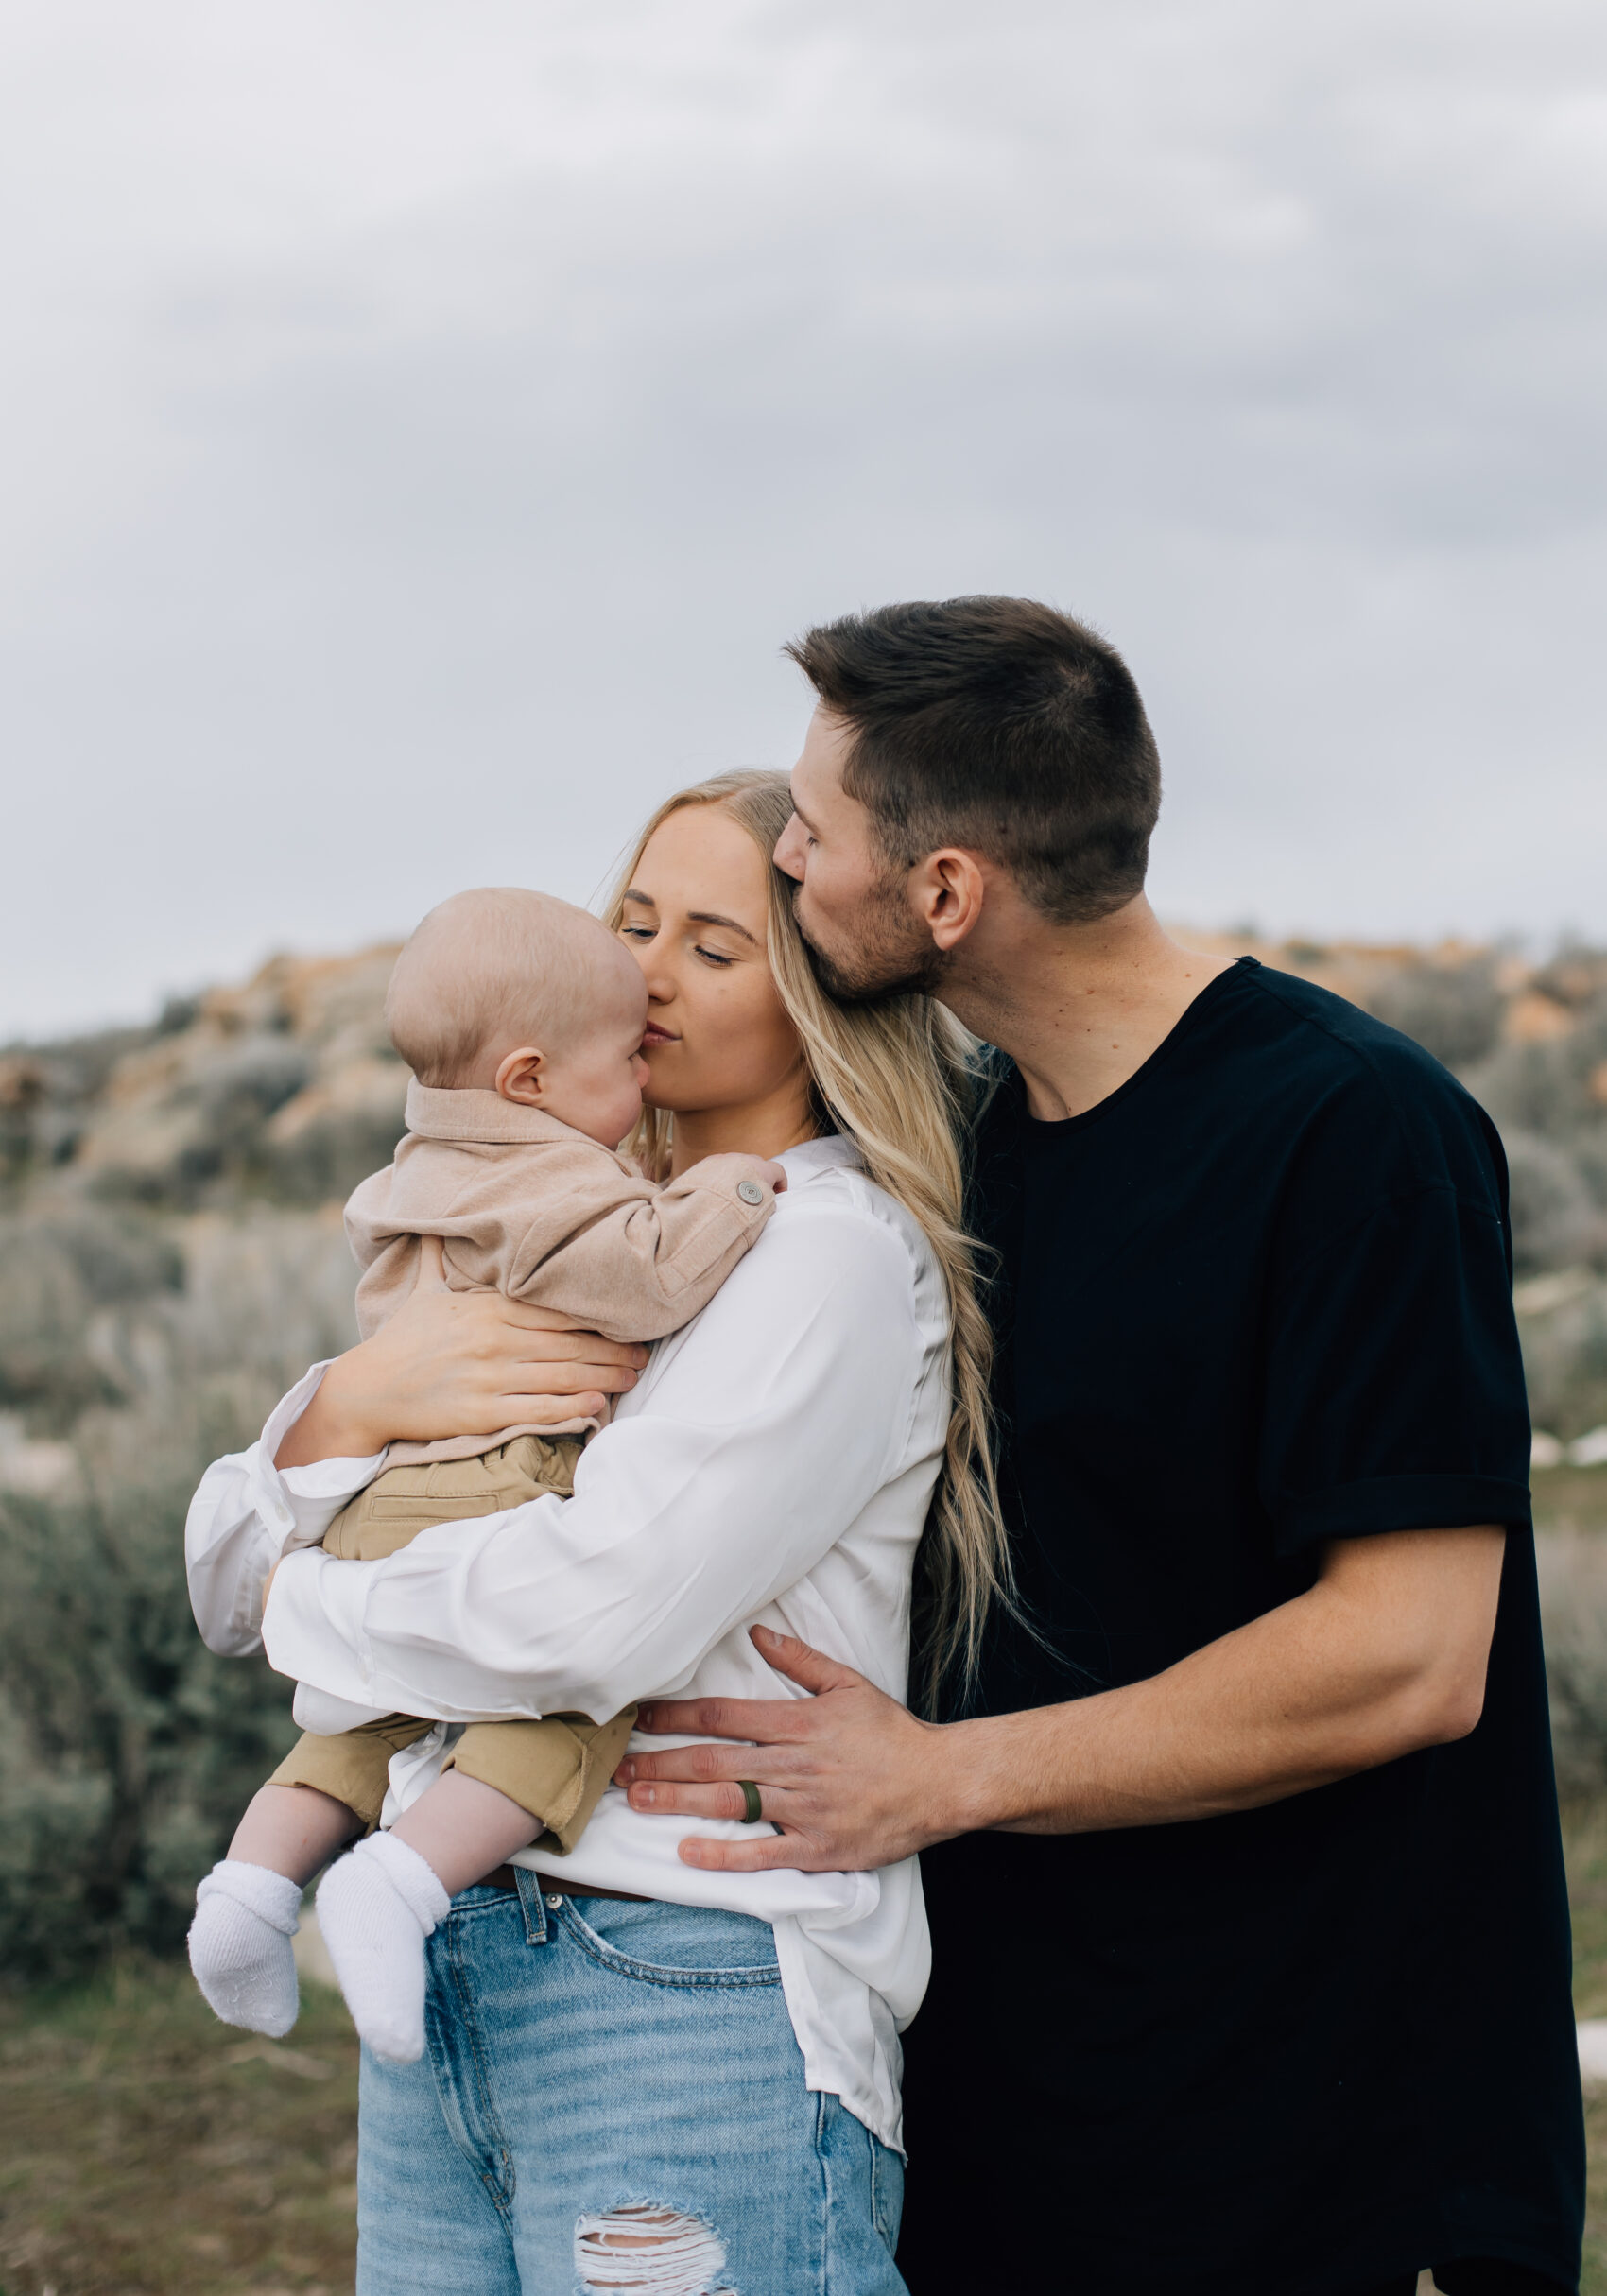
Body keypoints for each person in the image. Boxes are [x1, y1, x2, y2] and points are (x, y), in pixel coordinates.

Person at [612, 598, 1585, 2296]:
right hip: (1026, 2114)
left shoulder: (1356, 1130)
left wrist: (940, 1773)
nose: (788, 870)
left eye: (813, 836)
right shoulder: (968, 1151)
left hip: (1324, 2138)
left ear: (946, 892)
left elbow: (1411, 1655)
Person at [185, 771, 1004, 2294]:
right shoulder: (550, 1230)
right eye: (633, 922)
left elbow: (588, 1614)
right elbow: (215, 1557)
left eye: (713, 942)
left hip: (685, 1980)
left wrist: (313, 1600)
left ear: (823, 987)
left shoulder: (821, 1248)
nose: (643, 974)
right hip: (448, 1953)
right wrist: (350, 1407)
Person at [186, 884, 786, 2064]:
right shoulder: (547, 1173)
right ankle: (399, 1881)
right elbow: (650, 1276)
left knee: (353, 1733)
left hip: (375, 1505)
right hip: (489, 1484)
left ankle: (249, 1890)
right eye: (623, 1055)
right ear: (525, 1080)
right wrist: (741, 1187)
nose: (644, 1061)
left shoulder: (426, 1163)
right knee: (560, 1708)